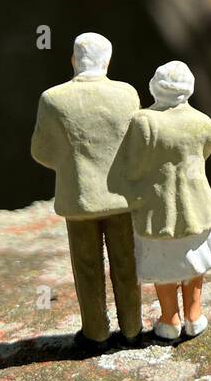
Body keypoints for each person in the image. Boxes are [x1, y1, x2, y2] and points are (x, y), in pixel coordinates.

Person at [31, 33, 142, 349]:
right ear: (107, 60)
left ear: (73, 60)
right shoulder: (127, 94)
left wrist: (70, 164)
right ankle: (133, 328)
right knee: (126, 262)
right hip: (121, 196)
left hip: (79, 196)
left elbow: (41, 150)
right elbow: (138, 143)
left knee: (87, 267)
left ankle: (96, 332)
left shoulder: (53, 99)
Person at [115, 60, 211, 340]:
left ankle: (170, 319)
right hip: (196, 206)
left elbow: (134, 167)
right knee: (194, 261)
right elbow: (205, 154)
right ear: (189, 89)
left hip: (157, 208)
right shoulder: (204, 123)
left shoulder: (143, 122)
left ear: (154, 87)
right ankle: (194, 315)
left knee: (163, 265)